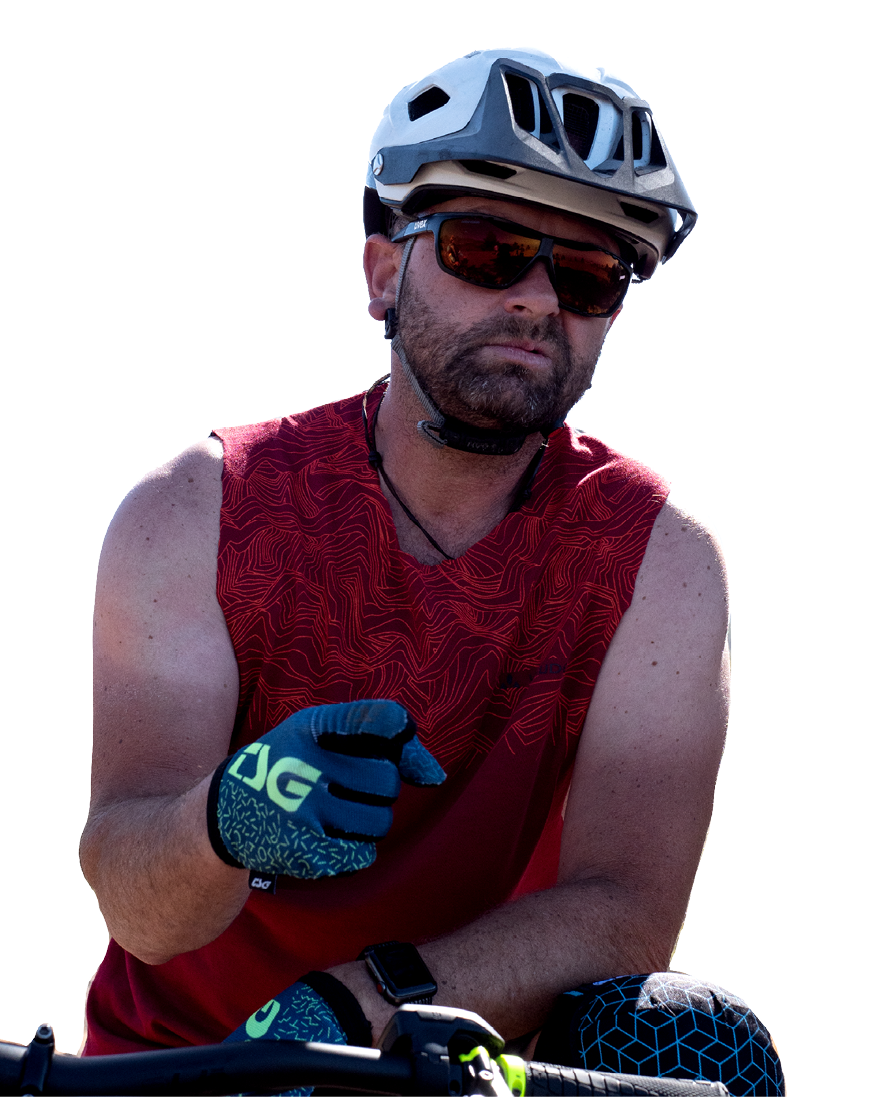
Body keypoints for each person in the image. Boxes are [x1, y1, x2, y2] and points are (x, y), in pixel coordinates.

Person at [79, 49, 783, 1095]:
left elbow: (625, 910)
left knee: (694, 1042)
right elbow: (139, 908)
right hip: (181, 1072)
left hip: (447, 1069)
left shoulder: (658, 556)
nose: (537, 298)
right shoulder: (197, 506)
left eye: (589, 275)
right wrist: (223, 821)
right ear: (382, 273)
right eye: (486, 249)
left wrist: (356, 1008)